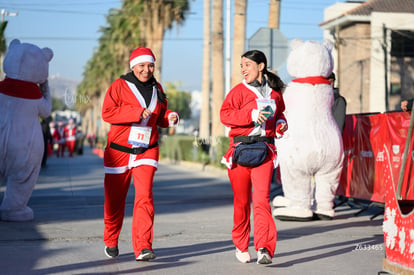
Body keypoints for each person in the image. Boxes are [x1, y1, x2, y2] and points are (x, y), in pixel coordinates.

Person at [101, 46, 179, 261]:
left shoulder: (158, 88)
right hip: (119, 151)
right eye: (142, 65)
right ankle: (111, 238)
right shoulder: (119, 86)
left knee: (144, 197)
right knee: (115, 201)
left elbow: (160, 117)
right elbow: (107, 112)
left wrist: (171, 117)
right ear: (133, 66)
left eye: (150, 65)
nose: (147, 69)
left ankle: (143, 247)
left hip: (147, 150)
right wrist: (135, 112)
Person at [220, 50, 288, 265]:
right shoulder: (238, 92)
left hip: (265, 152)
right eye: (242, 65)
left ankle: (264, 248)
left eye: (247, 65)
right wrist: (250, 115)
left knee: (262, 201)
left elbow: (280, 115)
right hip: (240, 152)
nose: (243, 69)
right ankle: (241, 245)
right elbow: (225, 115)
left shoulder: (275, 93)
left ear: (261, 66)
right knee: (241, 203)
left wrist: (280, 125)